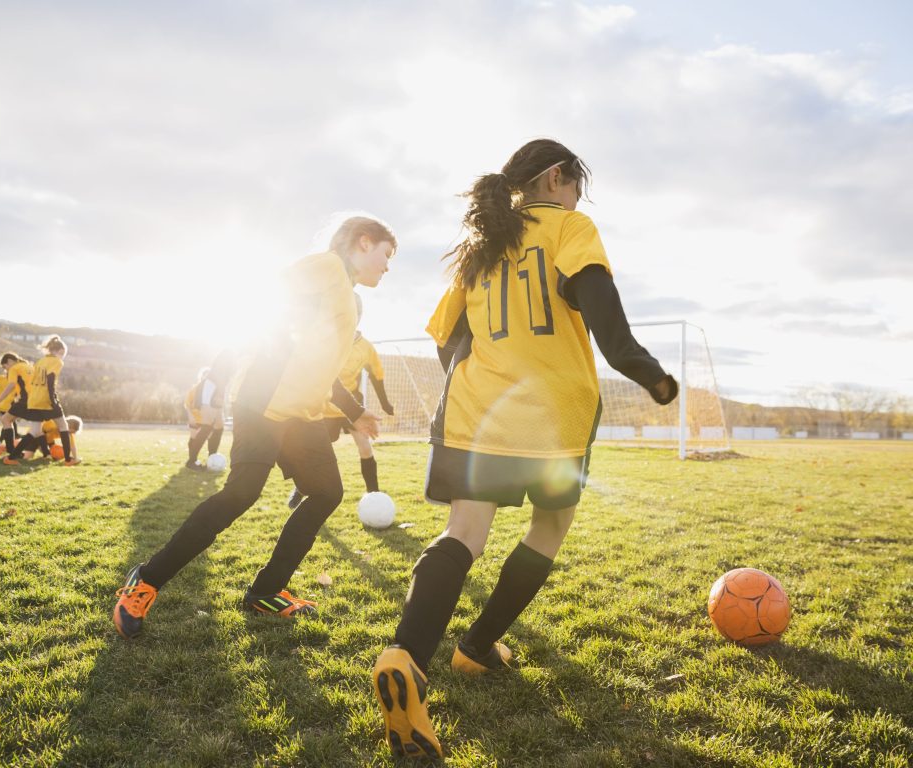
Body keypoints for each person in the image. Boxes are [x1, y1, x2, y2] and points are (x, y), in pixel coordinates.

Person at [371, 139, 679, 759]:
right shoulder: (571, 227)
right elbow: (613, 337)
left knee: (464, 532)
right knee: (550, 527)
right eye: (576, 187)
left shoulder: (480, 248)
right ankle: (477, 646)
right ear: (558, 178)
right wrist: (656, 379)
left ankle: (406, 655)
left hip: (476, 410)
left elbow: (445, 342)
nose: (576, 199)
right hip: (551, 417)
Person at [113, 215, 396, 639]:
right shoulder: (328, 267)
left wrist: (354, 410)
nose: (388, 266)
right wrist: (244, 360)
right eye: (386, 254)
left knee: (327, 493)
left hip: (301, 415)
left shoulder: (344, 296)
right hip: (263, 402)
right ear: (363, 242)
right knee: (242, 493)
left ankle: (266, 592)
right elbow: (268, 298)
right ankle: (145, 580)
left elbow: (326, 370)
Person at [287, 293, 395, 509]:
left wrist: (384, 403)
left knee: (365, 447)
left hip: (353, 407)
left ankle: (373, 495)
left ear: (359, 316)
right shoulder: (325, 341)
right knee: (318, 452)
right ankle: (301, 488)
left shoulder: (366, 347)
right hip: (326, 405)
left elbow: (377, 374)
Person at [4, 335, 79, 466]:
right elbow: (50, 379)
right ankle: (68, 460)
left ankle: (11, 457)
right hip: (46, 400)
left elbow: (33, 382)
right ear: (59, 351)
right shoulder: (57, 361)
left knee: (34, 431)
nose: (62, 357)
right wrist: (53, 400)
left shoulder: (40, 362)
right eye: (63, 354)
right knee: (63, 426)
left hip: (34, 400)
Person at [183, 351, 235, 470]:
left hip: (217, 393)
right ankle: (191, 461)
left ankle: (212, 458)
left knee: (219, 426)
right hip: (209, 390)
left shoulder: (229, 370)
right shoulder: (223, 363)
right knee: (207, 425)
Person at [0, 353, 33, 459]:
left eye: (5, 367)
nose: (6, 370)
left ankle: (12, 451)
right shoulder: (29, 366)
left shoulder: (14, 368)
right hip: (36, 400)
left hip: (25, 400)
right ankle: (45, 452)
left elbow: (11, 385)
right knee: (35, 428)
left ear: (9, 361)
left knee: (5, 419)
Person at [16, 415, 83, 461]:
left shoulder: (68, 433)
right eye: (70, 432)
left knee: (57, 454)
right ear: (67, 425)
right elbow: (39, 433)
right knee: (27, 458)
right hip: (34, 437)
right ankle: (16, 453)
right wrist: (46, 452)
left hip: (48, 441)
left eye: (72, 433)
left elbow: (72, 446)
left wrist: (75, 458)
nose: (70, 434)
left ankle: (46, 455)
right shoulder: (52, 424)